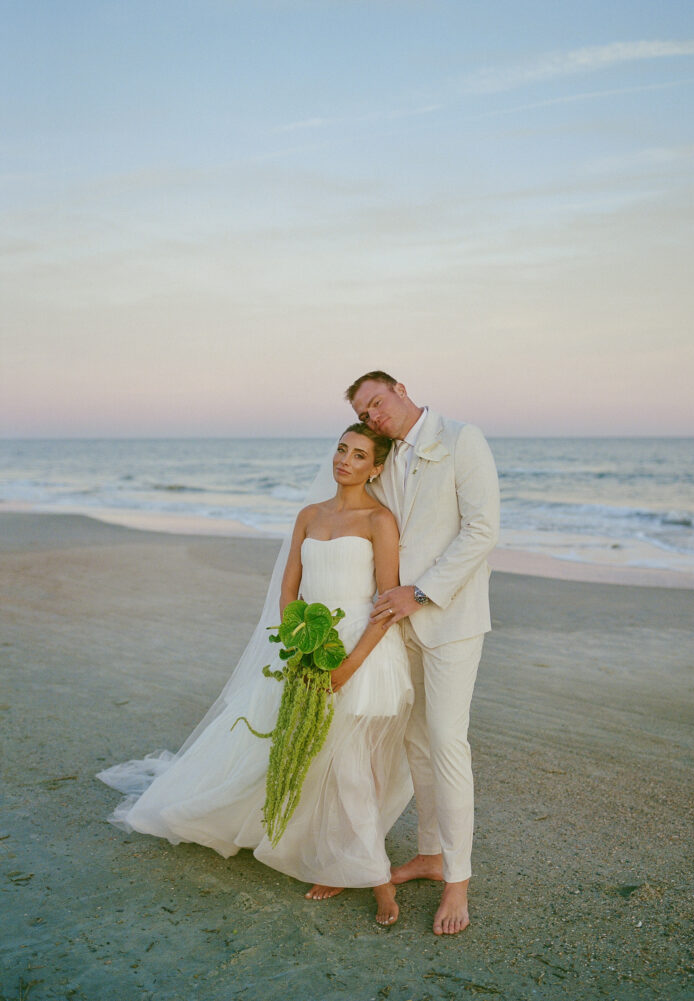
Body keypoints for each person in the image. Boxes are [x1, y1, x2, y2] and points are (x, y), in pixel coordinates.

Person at [98, 424, 414, 926]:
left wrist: (349, 664)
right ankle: (340, 859)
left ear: (376, 468)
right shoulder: (309, 515)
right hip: (306, 642)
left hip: (361, 649)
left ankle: (376, 880)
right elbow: (289, 590)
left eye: (359, 455)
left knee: (352, 766)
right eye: (341, 449)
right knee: (301, 755)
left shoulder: (380, 519)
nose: (345, 461)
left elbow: (386, 603)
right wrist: (299, 647)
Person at [346, 371, 500, 936]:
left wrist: (421, 592)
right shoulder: (385, 456)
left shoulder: (461, 439)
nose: (373, 416)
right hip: (399, 620)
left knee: (447, 742)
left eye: (376, 402)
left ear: (401, 389)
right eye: (364, 414)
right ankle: (431, 854)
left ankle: (457, 880)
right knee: (415, 742)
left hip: (450, 617)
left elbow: (482, 530)